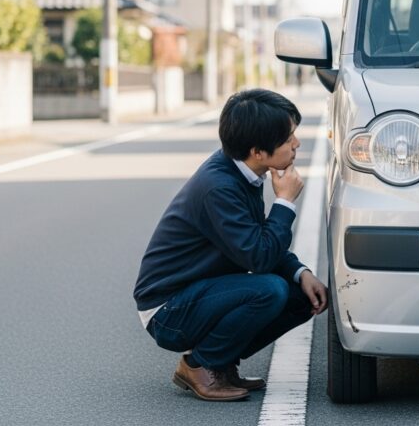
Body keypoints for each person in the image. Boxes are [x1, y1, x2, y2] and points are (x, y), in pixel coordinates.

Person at [133, 89, 328, 402]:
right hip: (168, 310)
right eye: (288, 137)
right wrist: (285, 203)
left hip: (202, 292)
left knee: (300, 297)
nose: (297, 143)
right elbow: (258, 256)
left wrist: (299, 272)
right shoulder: (220, 187)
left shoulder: (243, 171)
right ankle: (198, 365)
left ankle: (221, 364)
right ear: (258, 151)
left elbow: (256, 239)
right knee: (269, 290)